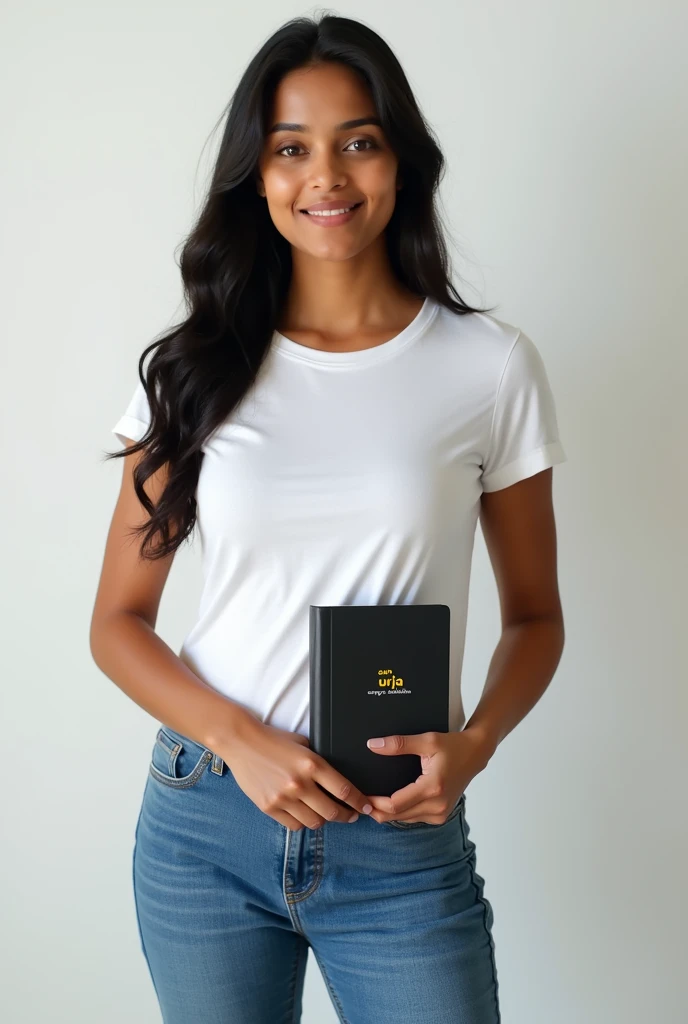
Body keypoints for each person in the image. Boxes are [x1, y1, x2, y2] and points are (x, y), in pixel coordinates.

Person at [90, 14, 567, 1024]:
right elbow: (117, 622)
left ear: (399, 158)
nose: (327, 177)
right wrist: (240, 740)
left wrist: (474, 742)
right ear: (255, 176)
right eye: (289, 148)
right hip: (207, 823)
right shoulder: (189, 371)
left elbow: (535, 616)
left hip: (396, 834)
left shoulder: (488, 368)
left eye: (358, 140)